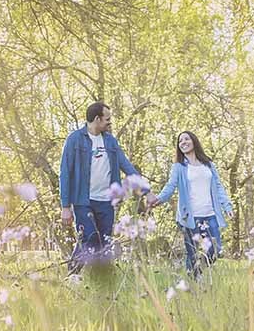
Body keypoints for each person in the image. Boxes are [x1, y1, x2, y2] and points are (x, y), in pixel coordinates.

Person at [59, 102, 141, 271]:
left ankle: (101, 281)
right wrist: (65, 206)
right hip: (83, 201)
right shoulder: (74, 140)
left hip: (106, 201)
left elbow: (126, 165)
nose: (109, 123)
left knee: (104, 242)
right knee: (88, 238)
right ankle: (72, 274)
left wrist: (145, 190)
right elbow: (65, 173)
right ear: (97, 119)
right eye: (107, 119)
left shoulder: (110, 141)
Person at [146, 131, 234, 277]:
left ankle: (197, 271)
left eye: (186, 139)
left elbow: (218, 186)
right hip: (190, 217)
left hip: (210, 214)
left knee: (216, 250)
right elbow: (170, 185)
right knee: (192, 252)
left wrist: (227, 206)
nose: (183, 142)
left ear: (194, 141)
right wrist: (159, 199)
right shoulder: (179, 167)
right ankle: (193, 281)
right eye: (180, 141)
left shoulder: (208, 164)